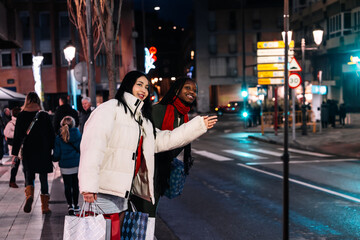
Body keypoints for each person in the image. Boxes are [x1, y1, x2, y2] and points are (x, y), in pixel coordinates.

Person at [78, 71, 217, 239]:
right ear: (129, 85)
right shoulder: (111, 108)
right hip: (102, 190)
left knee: (114, 235)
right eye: (139, 84)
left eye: (147, 87)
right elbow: (93, 146)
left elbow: (163, 140)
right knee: (99, 235)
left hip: (122, 191)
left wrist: (197, 126)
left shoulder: (141, 118)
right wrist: (88, 186)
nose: (144, 89)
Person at [131, 77, 199, 219]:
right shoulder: (158, 110)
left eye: (195, 90)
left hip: (159, 174)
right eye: (187, 88)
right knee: (143, 217)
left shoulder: (183, 116)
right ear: (176, 90)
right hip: (145, 174)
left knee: (149, 217)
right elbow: (148, 142)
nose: (192, 92)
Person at [12, 92, 55, 214]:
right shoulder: (44, 115)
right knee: (43, 178)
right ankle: (45, 207)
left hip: (28, 150)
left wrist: (15, 153)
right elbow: (51, 135)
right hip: (43, 151)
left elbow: (17, 136)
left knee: (29, 176)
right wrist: (53, 149)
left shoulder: (21, 116)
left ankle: (29, 195)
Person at [53, 116, 81, 215]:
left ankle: (70, 205)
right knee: (75, 185)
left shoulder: (59, 137)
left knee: (67, 185)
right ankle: (77, 204)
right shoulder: (78, 134)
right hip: (76, 164)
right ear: (73, 124)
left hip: (65, 165)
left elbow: (57, 153)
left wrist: (54, 158)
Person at [4, 107, 22, 188]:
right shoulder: (11, 123)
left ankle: (28, 183)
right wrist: (17, 135)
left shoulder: (21, 122)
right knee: (15, 165)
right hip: (14, 149)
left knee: (25, 166)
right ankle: (12, 181)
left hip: (21, 147)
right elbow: (6, 133)